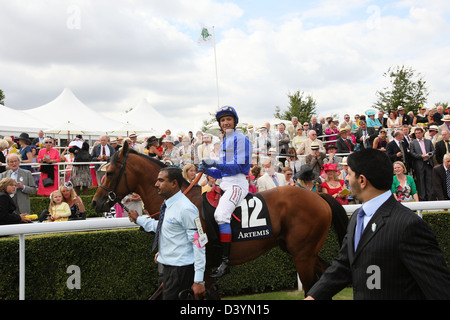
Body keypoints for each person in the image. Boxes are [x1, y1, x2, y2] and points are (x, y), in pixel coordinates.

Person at [305, 148, 450, 300]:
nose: (346, 179)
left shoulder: (409, 225)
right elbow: (345, 264)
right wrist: (313, 296)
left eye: (349, 174)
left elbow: (440, 289)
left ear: (362, 180)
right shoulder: (357, 217)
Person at [128, 167, 206, 300]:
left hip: (180, 272)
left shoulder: (186, 208)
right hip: (169, 269)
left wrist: (198, 280)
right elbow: (164, 227)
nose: (156, 184)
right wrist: (138, 219)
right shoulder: (168, 204)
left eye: (161, 180)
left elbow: (199, 243)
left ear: (174, 183)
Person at [199, 106, 252, 278]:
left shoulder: (241, 139)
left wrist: (213, 163)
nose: (225, 122)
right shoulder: (225, 141)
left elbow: (238, 167)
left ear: (234, 121)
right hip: (225, 183)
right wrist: (207, 170)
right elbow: (222, 172)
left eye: (228, 119)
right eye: (222, 120)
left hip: (237, 184)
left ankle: (225, 261)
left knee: (221, 215)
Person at [410, 127, 435, 201]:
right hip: (419, 164)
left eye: (419, 133)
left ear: (422, 133)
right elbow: (412, 153)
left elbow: (433, 150)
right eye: (416, 133)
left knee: (429, 181)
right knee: (420, 182)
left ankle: (430, 198)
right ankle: (422, 198)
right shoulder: (413, 143)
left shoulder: (428, 141)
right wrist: (420, 156)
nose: (417, 135)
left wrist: (431, 154)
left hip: (428, 163)